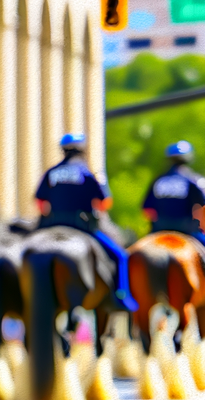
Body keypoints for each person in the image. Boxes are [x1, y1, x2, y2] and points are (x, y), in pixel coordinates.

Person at [35, 133, 136, 310]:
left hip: (51, 226)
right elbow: (104, 203)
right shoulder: (86, 173)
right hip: (81, 226)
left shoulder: (51, 172)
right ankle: (121, 294)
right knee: (120, 255)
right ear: (82, 150)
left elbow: (40, 202)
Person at [142, 140, 205, 246]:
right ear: (189, 157)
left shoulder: (158, 180)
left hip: (159, 231)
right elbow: (201, 208)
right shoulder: (193, 180)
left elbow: (147, 210)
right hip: (188, 232)